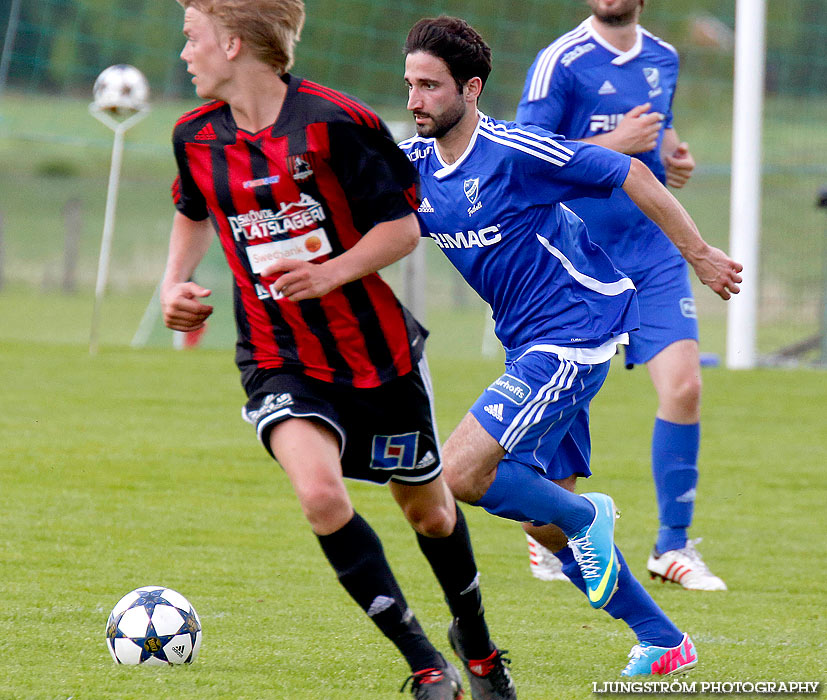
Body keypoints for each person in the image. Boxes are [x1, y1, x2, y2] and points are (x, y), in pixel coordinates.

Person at [162, 2, 515, 698]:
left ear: (233, 44)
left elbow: (402, 230)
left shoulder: (334, 123)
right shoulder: (195, 136)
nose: (185, 53)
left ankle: (475, 645)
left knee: (432, 514)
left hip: (376, 357)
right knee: (320, 494)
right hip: (276, 356)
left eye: (192, 37)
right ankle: (423, 667)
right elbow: (193, 209)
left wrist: (328, 272)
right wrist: (175, 284)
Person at [400, 16, 741, 676]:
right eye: (409, 84)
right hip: (526, 342)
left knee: (461, 474)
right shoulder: (411, 165)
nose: (414, 99)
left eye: (430, 86)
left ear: (469, 89)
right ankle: (661, 638)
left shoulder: (515, 151)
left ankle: (591, 512)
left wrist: (697, 255)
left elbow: (630, 175)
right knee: (539, 521)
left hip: (575, 331)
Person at [516, 0, 727, 591]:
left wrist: (671, 152)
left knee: (685, 386)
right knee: (566, 398)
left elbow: (655, 127)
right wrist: (616, 139)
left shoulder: (664, 56)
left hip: (651, 246)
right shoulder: (559, 60)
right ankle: (552, 532)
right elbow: (525, 152)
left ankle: (673, 547)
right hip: (575, 253)